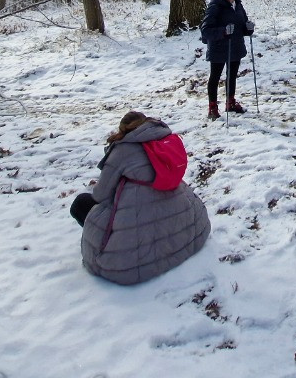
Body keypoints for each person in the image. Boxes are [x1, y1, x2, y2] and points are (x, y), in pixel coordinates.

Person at [76, 110, 211, 285]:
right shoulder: (165, 141)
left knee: (81, 204)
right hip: (190, 223)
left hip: (133, 253)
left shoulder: (123, 150)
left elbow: (100, 194)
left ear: (123, 130)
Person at [200, 0, 255, 118]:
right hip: (219, 47)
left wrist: (248, 28)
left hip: (235, 46)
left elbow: (242, 25)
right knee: (215, 77)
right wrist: (223, 31)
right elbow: (205, 30)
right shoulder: (215, 6)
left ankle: (230, 103)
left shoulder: (238, 5)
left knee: (232, 75)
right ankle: (212, 108)